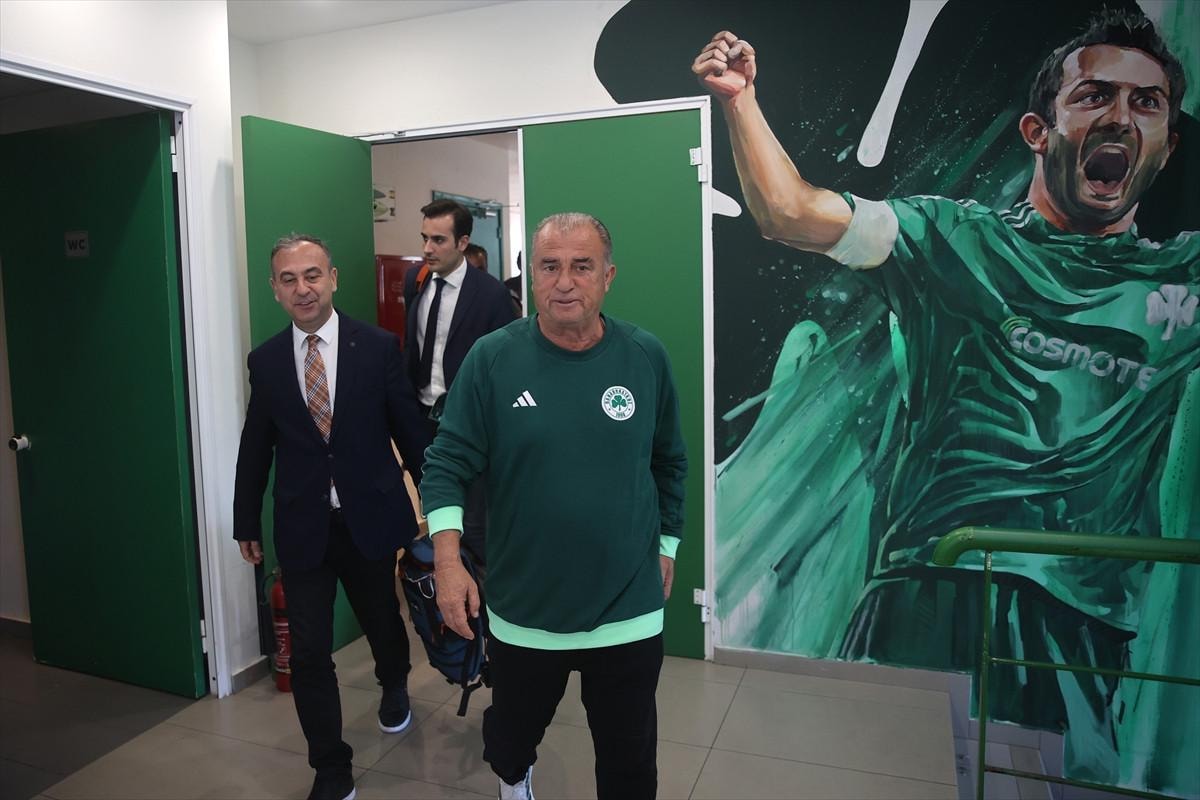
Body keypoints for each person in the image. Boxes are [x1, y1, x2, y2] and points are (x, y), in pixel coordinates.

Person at [695, 7, 1198, 783]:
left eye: (1147, 103)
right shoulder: (950, 238)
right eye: (1095, 95)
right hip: (930, 591)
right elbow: (788, 212)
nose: (1121, 118)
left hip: (1081, 624)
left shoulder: (1180, 281)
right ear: (1038, 131)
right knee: (889, 783)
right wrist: (739, 102)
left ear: (1166, 143)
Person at [420, 213, 688, 800]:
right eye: (549, 266)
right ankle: (514, 777)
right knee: (510, 742)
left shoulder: (644, 356)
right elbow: (446, 464)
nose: (565, 282)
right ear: (532, 277)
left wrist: (667, 543)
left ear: (608, 276)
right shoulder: (493, 359)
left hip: (628, 607)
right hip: (525, 607)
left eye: (581, 266)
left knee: (630, 765)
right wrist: (447, 561)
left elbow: (669, 461)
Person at [233, 234, 430, 800]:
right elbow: (256, 445)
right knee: (310, 651)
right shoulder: (267, 361)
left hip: (370, 517)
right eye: (289, 279)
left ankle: (394, 684)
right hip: (303, 527)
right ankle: (330, 765)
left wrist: (441, 508)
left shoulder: (377, 346)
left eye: (312, 275)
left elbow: (410, 433)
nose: (303, 288)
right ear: (275, 289)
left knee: (382, 622)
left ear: (333, 278)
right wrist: (245, 519)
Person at [404, 199, 515, 564]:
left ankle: (479, 584)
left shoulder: (490, 294)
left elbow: (503, 366)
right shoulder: (416, 281)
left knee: (473, 519)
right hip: (423, 417)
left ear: (463, 242)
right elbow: (413, 346)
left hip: (468, 422)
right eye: (424, 238)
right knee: (437, 507)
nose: (427, 248)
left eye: (438, 240)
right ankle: (443, 579)